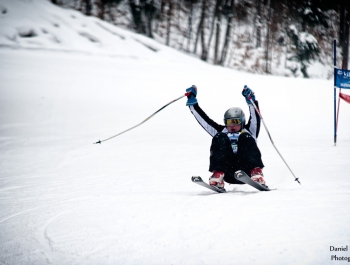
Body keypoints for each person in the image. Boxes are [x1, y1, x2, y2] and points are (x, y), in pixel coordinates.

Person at [185, 85, 267, 192]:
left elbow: (255, 116)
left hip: (246, 170)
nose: (232, 125)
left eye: (236, 122)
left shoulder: (250, 130)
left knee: (245, 137)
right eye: (229, 122)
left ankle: (257, 174)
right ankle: (217, 176)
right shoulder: (222, 131)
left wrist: (251, 100)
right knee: (219, 137)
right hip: (228, 171)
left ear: (242, 122)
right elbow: (204, 120)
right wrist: (192, 103)